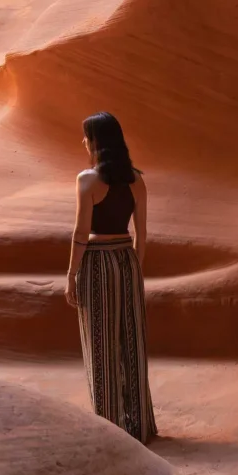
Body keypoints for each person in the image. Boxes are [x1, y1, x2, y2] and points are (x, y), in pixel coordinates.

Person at [65, 111, 157, 443]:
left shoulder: (87, 180)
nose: (83, 142)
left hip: (98, 262)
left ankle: (110, 429)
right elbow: (142, 234)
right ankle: (140, 426)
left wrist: (72, 273)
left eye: (86, 136)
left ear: (96, 142)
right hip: (127, 260)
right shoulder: (136, 179)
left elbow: (80, 231)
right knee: (131, 340)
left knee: (100, 342)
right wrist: (135, 268)